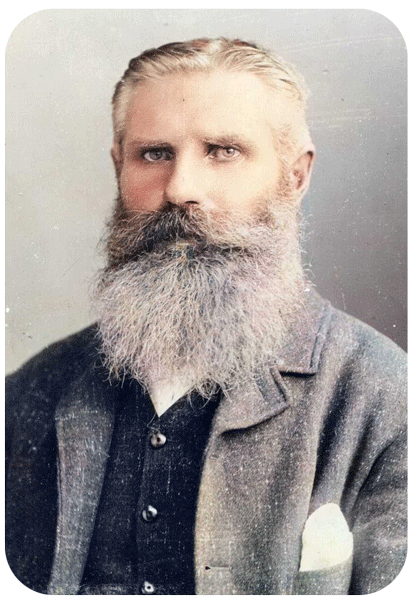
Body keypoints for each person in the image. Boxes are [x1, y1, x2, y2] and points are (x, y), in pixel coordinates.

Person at [5, 38, 406, 596]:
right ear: (119, 166)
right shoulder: (29, 394)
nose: (180, 190)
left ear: (295, 176)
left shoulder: (384, 397)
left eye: (222, 150)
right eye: (154, 154)